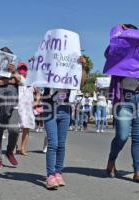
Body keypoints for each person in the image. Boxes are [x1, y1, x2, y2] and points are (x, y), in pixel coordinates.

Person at [105, 24, 139, 184]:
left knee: (138, 137)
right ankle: (111, 161)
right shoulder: (119, 51)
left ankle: (137, 171)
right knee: (122, 136)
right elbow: (108, 53)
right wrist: (119, 33)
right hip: (125, 98)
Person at [42, 56, 87, 190]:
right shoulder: (49, 67)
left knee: (61, 144)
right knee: (53, 143)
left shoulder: (71, 70)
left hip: (65, 110)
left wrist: (83, 67)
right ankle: (50, 175)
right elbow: (38, 77)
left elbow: (82, 82)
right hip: (50, 108)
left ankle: (58, 173)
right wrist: (38, 64)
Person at [0, 47, 24, 170]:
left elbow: (23, 82)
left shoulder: (15, 70)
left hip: (13, 105)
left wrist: (14, 74)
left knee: (14, 131)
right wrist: (8, 81)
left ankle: (9, 151)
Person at [16, 62, 39, 156]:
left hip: (28, 109)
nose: (23, 71)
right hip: (17, 107)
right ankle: (13, 147)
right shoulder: (15, 81)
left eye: (24, 69)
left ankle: (23, 148)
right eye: (21, 69)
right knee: (15, 129)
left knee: (26, 128)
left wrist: (36, 102)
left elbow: (38, 93)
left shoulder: (32, 82)